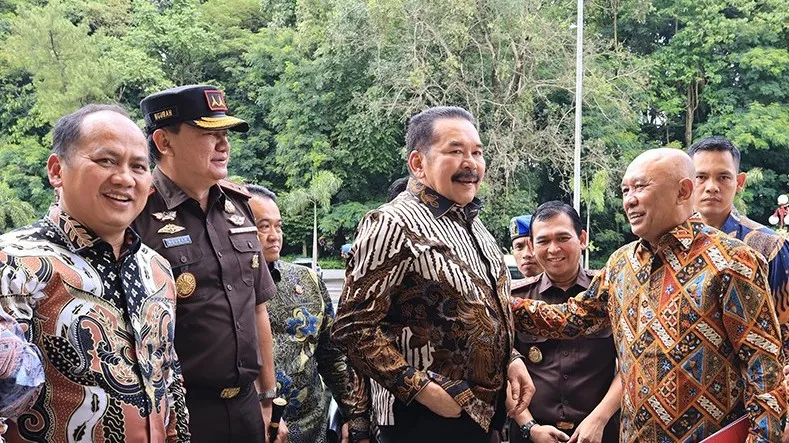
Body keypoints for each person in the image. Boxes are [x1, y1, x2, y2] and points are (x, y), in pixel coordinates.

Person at [512, 148, 786, 441]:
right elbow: (572, 318)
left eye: (640, 187)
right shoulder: (621, 264)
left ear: (683, 191)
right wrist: (498, 304)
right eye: (625, 189)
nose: (629, 200)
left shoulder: (732, 261)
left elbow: (763, 371)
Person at [333, 106, 534, 443]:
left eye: (477, 152)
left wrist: (512, 360)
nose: (470, 162)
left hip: (484, 418)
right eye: (455, 151)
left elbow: (483, 312)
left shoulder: (474, 223)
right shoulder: (392, 223)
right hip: (423, 421)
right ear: (418, 164)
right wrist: (422, 390)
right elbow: (353, 327)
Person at [0, 105, 190, 442]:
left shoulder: (157, 268)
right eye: (106, 161)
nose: (125, 178)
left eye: (139, 166)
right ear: (57, 170)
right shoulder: (13, 263)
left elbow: (169, 377)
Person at [133, 85, 284, 443]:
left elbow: (257, 309)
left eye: (225, 134)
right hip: (177, 410)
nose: (223, 144)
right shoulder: (136, 214)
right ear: (164, 142)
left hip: (246, 404)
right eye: (208, 134)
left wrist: (267, 401)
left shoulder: (239, 206)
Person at [246, 184, 370, 443]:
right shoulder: (227, 290)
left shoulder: (307, 281)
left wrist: (355, 417)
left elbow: (332, 355)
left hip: (312, 428)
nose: (274, 236)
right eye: (263, 226)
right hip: (252, 424)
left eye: (277, 226)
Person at [508, 202, 620, 443]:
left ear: (582, 238)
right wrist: (530, 427)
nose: (553, 249)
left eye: (562, 238)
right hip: (532, 434)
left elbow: (631, 365)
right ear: (531, 245)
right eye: (543, 241)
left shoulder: (611, 293)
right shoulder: (514, 299)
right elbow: (500, 366)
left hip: (598, 434)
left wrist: (599, 419)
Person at [688, 136, 789, 346]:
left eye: (723, 177)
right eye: (701, 177)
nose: (711, 187)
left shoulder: (769, 246)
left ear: (739, 182)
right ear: (687, 182)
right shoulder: (670, 245)